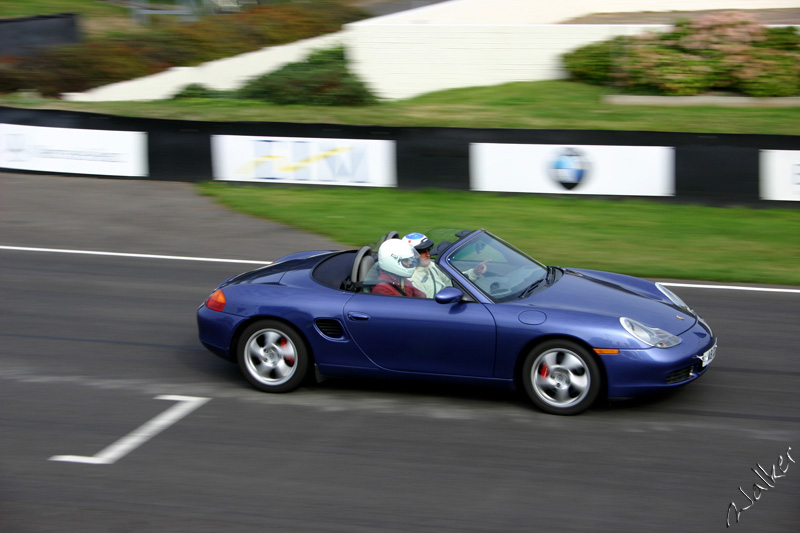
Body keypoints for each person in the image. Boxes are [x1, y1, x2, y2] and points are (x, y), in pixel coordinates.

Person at [403, 232, 489, 298]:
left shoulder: (431, 266)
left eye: (428, 250)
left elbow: (451, 281)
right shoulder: (411, 280)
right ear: (410, 254)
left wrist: (474, 273)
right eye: (422, 251)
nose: (428, 254)